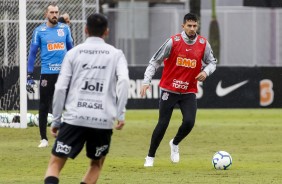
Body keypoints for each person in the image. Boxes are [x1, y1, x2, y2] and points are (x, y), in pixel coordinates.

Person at [44, 13, 129, 184]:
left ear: (85, 30)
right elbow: (124, 81)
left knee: (55, 164)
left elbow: (60, 88)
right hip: (102, 120)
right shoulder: (116, 54)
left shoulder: (73, 53)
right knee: (96, 164)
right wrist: (120, 113)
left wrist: (56, 120)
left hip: (75, 117)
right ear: (106, 31)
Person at [141, 13, 217, 167]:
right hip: (169, 89)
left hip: (188, 91)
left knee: (189, 122)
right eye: (189, 26)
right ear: (183, 26)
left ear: (197, 26)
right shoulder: (173, 42)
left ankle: (174, 143)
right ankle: (150, 157)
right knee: (162, 124)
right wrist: (146, 81)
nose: (192, 28)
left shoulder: (203, 43)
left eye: (195, 26)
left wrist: (205, 72)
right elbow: (155, 61)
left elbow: (212, 63)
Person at [26, 3, 73, 148]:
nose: (54, 14)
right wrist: (29, 75)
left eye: (56, 12)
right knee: (44, 105)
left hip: (64, 73)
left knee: (69, 105)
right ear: (46, 14)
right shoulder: (39, 31)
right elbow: (32, 54)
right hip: (47, 73)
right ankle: (44, 139)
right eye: (51, 12)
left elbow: (71, 49)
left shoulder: (65, 29)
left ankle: (67, 137)